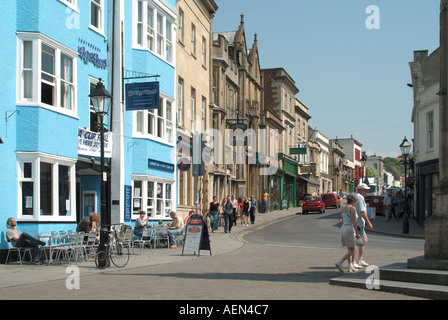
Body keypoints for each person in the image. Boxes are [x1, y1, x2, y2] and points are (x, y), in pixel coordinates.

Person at [335, 193, 360, 273]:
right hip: (349, 228)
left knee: (349, 248)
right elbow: (354, 221)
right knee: (352, 250)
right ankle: (340, 262)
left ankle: (350, 266)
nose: (356, 203)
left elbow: (341, 220)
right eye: (356, 201)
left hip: (343, 228)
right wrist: (357, 232)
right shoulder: (352, 208)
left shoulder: (344, 208)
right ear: (353, 201)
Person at [353, 183, 373, 268]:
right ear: (360, 189)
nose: (367, 191)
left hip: (358, 222)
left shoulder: (356, 196)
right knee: (358, 243)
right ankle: (354, 261)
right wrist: (369, 223)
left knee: (364, 240)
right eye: (365, 190)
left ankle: (360, 259)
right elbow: (362, 212)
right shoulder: (360, 198)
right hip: (359, 223)